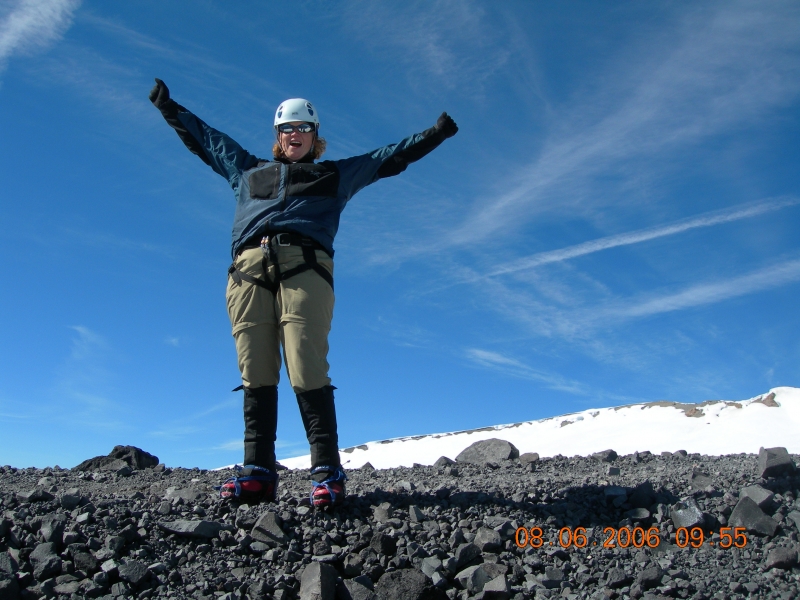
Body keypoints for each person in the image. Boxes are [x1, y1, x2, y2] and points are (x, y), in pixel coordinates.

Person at [148, 78, 458, 507]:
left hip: (305, 268)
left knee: (305, 364)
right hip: (247, 273)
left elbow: (387, 158)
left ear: (316, 135)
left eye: (303, 128)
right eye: (286, 129)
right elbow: (208, 140)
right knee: (255, 369)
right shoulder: (248, 170)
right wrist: (169, 108)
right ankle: (257, 471)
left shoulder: (335, 175)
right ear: (278, 137)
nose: (294, 135)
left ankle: (327, 472)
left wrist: (435, 134)